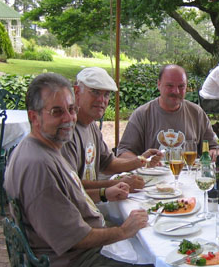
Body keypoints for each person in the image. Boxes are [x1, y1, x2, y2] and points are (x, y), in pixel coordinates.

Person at [5, 73, 154, 267]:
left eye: (71, 109)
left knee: (144, 249)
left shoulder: (46, 149)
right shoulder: (39, 165)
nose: (69, 118)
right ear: (34, 117)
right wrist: (123, 231)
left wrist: (109, 193)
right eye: (57, 112)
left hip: (71, 257)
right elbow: (76, 238)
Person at [61, 67, 162, 200]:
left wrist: (142, 160)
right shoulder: (66, 132)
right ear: (77, 92)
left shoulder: (91, 125)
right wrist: (116, 184)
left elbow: (108, 164)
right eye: (95, 92)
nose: (101, 100)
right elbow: (71, 187)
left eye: (106, 94)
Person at [117, 64, 218, 158]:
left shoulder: (197, 113)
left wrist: (214, 152)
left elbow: (213, 147)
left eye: (181, 86)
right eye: (170, 86)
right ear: (159, 84)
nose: (176, 91)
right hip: (153, 176)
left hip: (189, 175)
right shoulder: (142, 114)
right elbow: (123, 152)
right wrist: (142, 162)